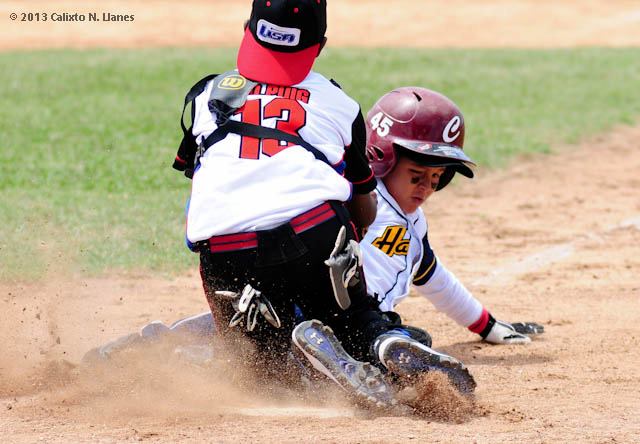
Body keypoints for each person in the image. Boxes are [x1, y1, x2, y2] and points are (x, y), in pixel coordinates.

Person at [170, 0, 407, 408]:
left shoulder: (208, 92)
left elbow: (205, 179)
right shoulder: (339, 102)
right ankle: (369, 341)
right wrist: (352, 239)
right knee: (355, 321)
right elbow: (364, 206)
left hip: (224, 247)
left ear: (248, 29)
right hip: (313, 227)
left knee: (262, 377)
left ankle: (289, 347)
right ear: (321, 45)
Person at [361, 86, 544, 352]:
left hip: (366, 328)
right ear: (383, 157)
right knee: (402, 341)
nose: (425, 188)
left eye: (436, 178)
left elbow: (433, 277)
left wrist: (486, 325)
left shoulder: (412, 221)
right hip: (344, 320)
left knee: (414, 339)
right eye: (416, 175)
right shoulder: (358, 199)